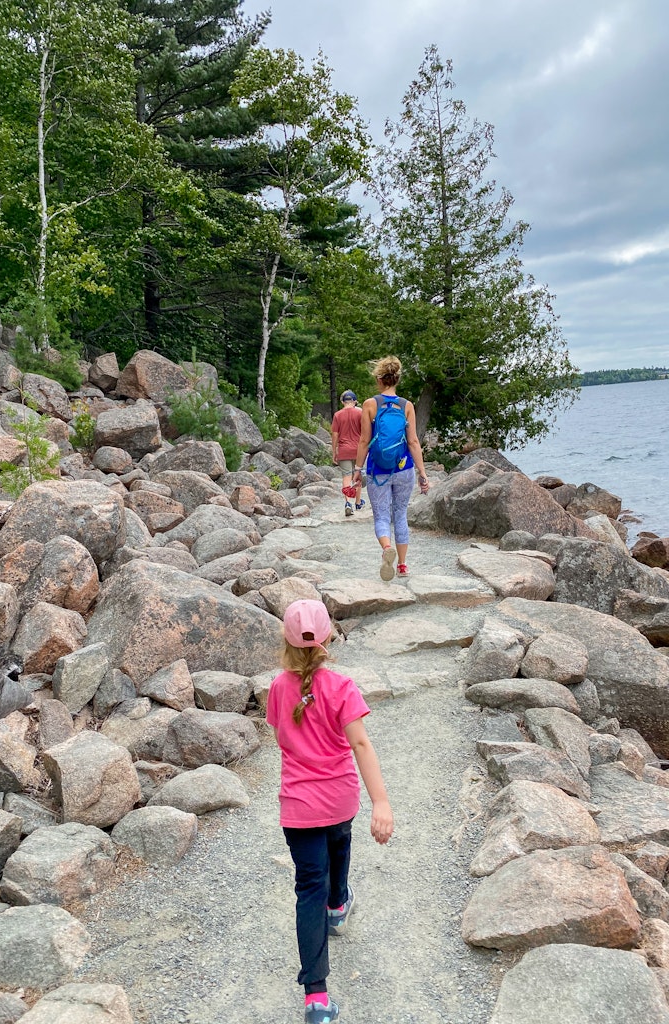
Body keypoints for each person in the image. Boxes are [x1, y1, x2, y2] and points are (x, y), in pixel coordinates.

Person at [267, 599, 394, 1024]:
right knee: (340, 842)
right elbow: (360, 744)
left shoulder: (278, 689)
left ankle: (316, 999)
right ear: (327, 639)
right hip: (340, 799)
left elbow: (282, 736)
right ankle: (339, 904)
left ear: (286, 640)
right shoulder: (342, 688)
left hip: (298, 806)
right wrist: (381, 802)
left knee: (309, 889)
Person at [352, 356, 430, 580]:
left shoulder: (369, 405)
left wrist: (357, 470)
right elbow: (413, 442)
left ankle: (387, 549)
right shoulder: (406, 406)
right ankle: (403, 566)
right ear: (397, 379)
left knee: (382, 517)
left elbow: (364, 441)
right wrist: (423, 473)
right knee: (400, 513)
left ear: (379, 379)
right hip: (404, 467)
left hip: (378, 469)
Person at [331, 390, 365, 517]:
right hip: (359, 450)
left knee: (346, 476)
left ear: (342, 402)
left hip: (344, 450)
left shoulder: (337, 415)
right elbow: (366, 432)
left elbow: (335, 435)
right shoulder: (360, 413)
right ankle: (358, 502)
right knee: (358, 475)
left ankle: (348, 503)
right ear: (355, 401)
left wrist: (334, 451)